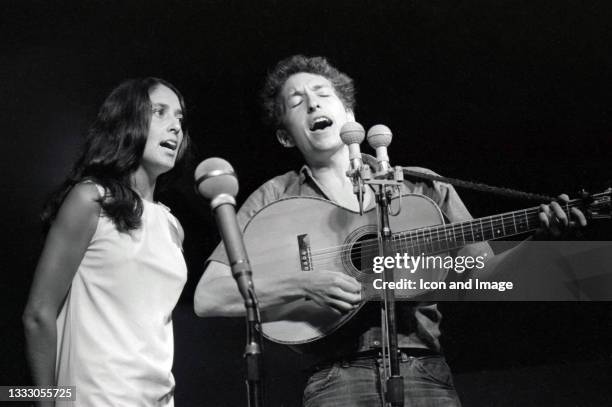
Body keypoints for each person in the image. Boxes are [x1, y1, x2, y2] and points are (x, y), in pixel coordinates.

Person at [194, 55, 585, 406]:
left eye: (322, 94)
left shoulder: (422, 187)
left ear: (348, 112)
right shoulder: (274, 198)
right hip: (334, 379)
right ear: (285, 134)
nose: (312, 103)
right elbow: (210, 296)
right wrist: (302, 285)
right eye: (296, 102)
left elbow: (483, 278)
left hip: (424, 372)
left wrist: (539, 239)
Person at [23, 77, 191, 406]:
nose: (175, 126)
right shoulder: (91, 200)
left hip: (157, 397)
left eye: (180, 118)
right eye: (160, 112)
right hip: (96, 394)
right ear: (126, 121)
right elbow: (39, 313)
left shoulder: (172, 225)